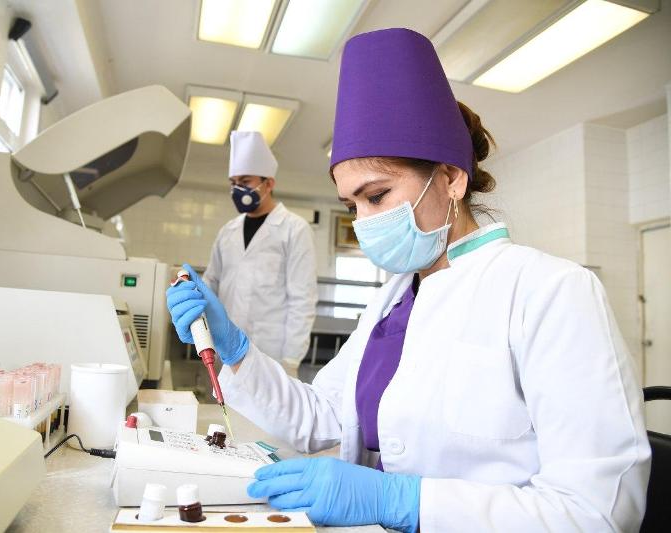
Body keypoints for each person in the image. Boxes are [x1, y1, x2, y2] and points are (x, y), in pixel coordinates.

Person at [167, 28, 650, 532]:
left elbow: (599, 512)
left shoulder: (550, 292)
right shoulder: (392, 302)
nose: (363, 221)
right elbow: (321, 416)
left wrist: (408, 502)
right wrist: (236, 352)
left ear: (451, 178)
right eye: (351, 205)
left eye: (376, 196)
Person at [199, 130, 317, 370]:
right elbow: (211, 283)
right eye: (233, 183)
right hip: (227, 350)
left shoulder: (294, 229)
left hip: (271, 354)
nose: (237, 189)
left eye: (245, 182)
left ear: (269, 183)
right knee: (224, 396)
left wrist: (291, 359)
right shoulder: (227, 232)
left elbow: (302, 299)